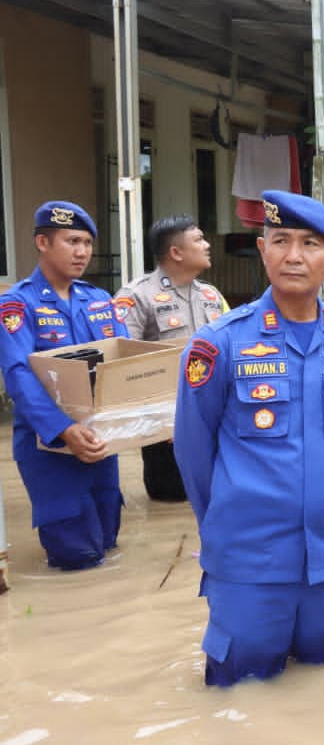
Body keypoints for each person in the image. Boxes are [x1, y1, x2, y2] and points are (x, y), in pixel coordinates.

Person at [173, 190, 324, 687]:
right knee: (237, 694)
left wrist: (317, 501)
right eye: (280, 240)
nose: (293, 255)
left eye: (310, 243)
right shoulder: (219, 344)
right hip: (248, 564)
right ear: (261, 249)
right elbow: (194, 453)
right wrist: (226, 528)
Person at [0, 201, 128, 571]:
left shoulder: (100, 301)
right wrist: (63, 429)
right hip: (49, 447)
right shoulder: (17, 305)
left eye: (87, 243)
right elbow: (19, 376)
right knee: (76, 556)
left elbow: (124, 365)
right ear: (43, 242)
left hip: (101, 442)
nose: (83, 252)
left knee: (107, 540)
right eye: (72, 241)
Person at [113, 216, 228, 502]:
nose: (207, 244)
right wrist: (161, 420)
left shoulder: (211, 295)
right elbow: (122, 362)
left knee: (217, 497)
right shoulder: (137, 295)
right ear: (176, 252)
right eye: (199, 240)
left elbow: (231, 350)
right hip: (164, 432)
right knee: (172, 499)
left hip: (212, 421)